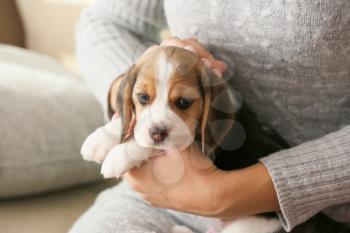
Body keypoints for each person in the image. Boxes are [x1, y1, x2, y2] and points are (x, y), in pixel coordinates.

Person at [70, 0, 350, 232]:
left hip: (302, 213)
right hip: (157, 197)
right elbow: (107, 21)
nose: (157, 121)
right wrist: (127, 91)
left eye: (181, 102)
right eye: (145, 99)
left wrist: (225, 195)